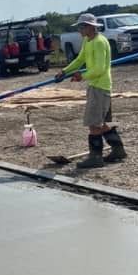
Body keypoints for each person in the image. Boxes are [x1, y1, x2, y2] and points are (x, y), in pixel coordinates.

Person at [55, 14, 126, 169]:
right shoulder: (88, 41)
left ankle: (95, 157)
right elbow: (80, 60)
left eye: (82, 26)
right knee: (103, 123)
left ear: (91, 27)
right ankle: (118, 150)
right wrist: (64, 71)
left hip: (100, 87)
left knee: (93, 124)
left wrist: (82, 76)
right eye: (80, 27)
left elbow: (99, 69)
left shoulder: (100, 42)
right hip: (96, 86)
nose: (80, 30)